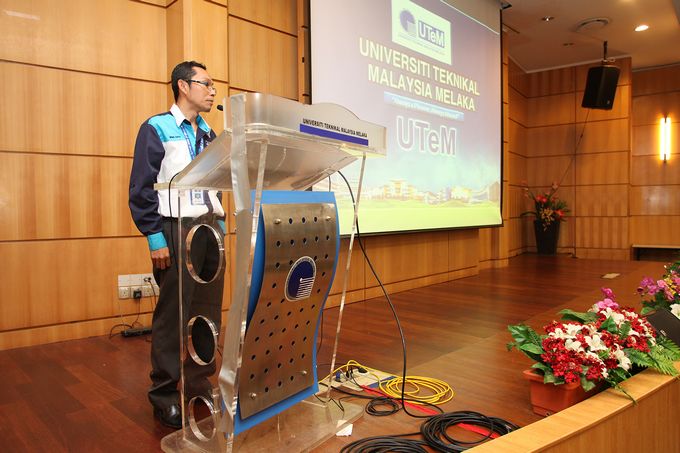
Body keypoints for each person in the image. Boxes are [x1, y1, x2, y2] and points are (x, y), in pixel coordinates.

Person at [129, 61, 225, 429]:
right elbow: (141, 188)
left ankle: (198, 384)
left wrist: (218, 223)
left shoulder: (211, 135)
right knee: (173, 315)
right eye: (206, 84)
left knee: (207, 313)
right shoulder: (157, 128)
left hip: (210, 230)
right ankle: (165, 394)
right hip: (175, 227)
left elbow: (216, 183)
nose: (213, 91)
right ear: (183, 86)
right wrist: (155, 237)